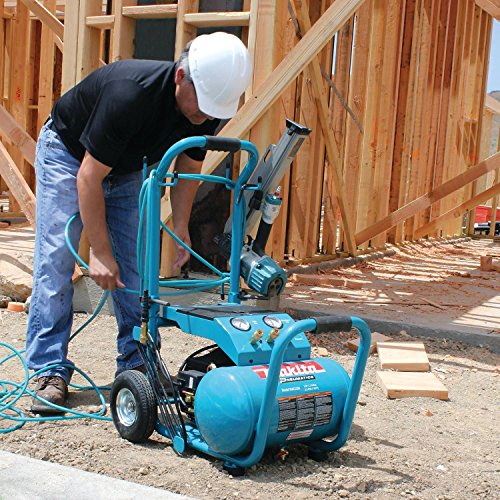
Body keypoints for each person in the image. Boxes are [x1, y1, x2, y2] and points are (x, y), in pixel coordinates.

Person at [26, 32, 252, 413]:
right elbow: (88, 177)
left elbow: (189, 166)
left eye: (214, 109)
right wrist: (99, 252)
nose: (206, 116)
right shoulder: (129, 94)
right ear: (180, 77)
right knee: (57, 260)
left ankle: (138, 363)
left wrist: (180, 225)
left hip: (124, 167)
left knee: (134, 268)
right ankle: (48, 370)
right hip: (69, 154)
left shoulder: (207, 104)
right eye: (202, 104)